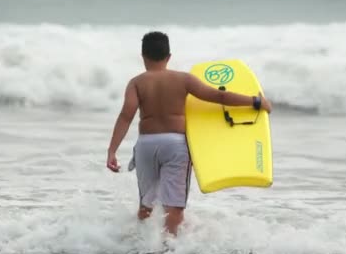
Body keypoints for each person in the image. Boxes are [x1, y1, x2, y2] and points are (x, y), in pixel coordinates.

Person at [106, 31, 272, 236]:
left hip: (146, 145)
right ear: (169, 57)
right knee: (174, 205)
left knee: (146, 202)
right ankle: (171, 248)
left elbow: (126, 116)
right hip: (175, 145)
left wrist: (112, 151)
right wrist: (255, 101)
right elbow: (218, 96)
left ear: (143, 56)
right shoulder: (182, 79)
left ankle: (141, 244)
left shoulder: (136, 82)